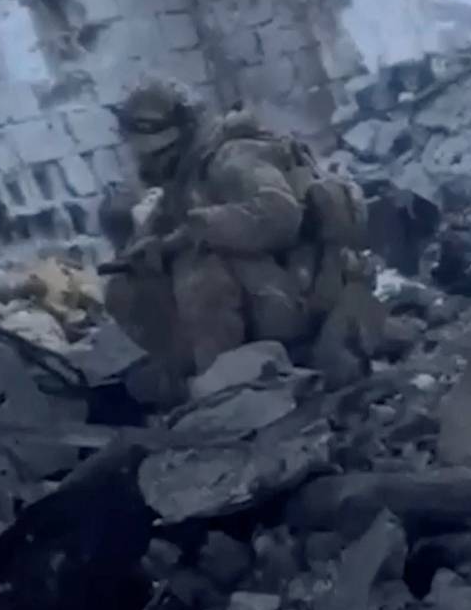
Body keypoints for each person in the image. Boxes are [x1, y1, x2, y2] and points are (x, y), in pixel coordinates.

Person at [103, 77, 376, 395]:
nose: (145, 162)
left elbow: (279, 216)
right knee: (129, 286)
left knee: (200, 271)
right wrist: (155, 246)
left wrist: (194, 231)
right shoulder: (188, 172)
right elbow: (170, 224)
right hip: (272, 291)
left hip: (302, 293)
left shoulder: (231, 158)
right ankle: (194, 376)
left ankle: (227, 387)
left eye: (154, 152)